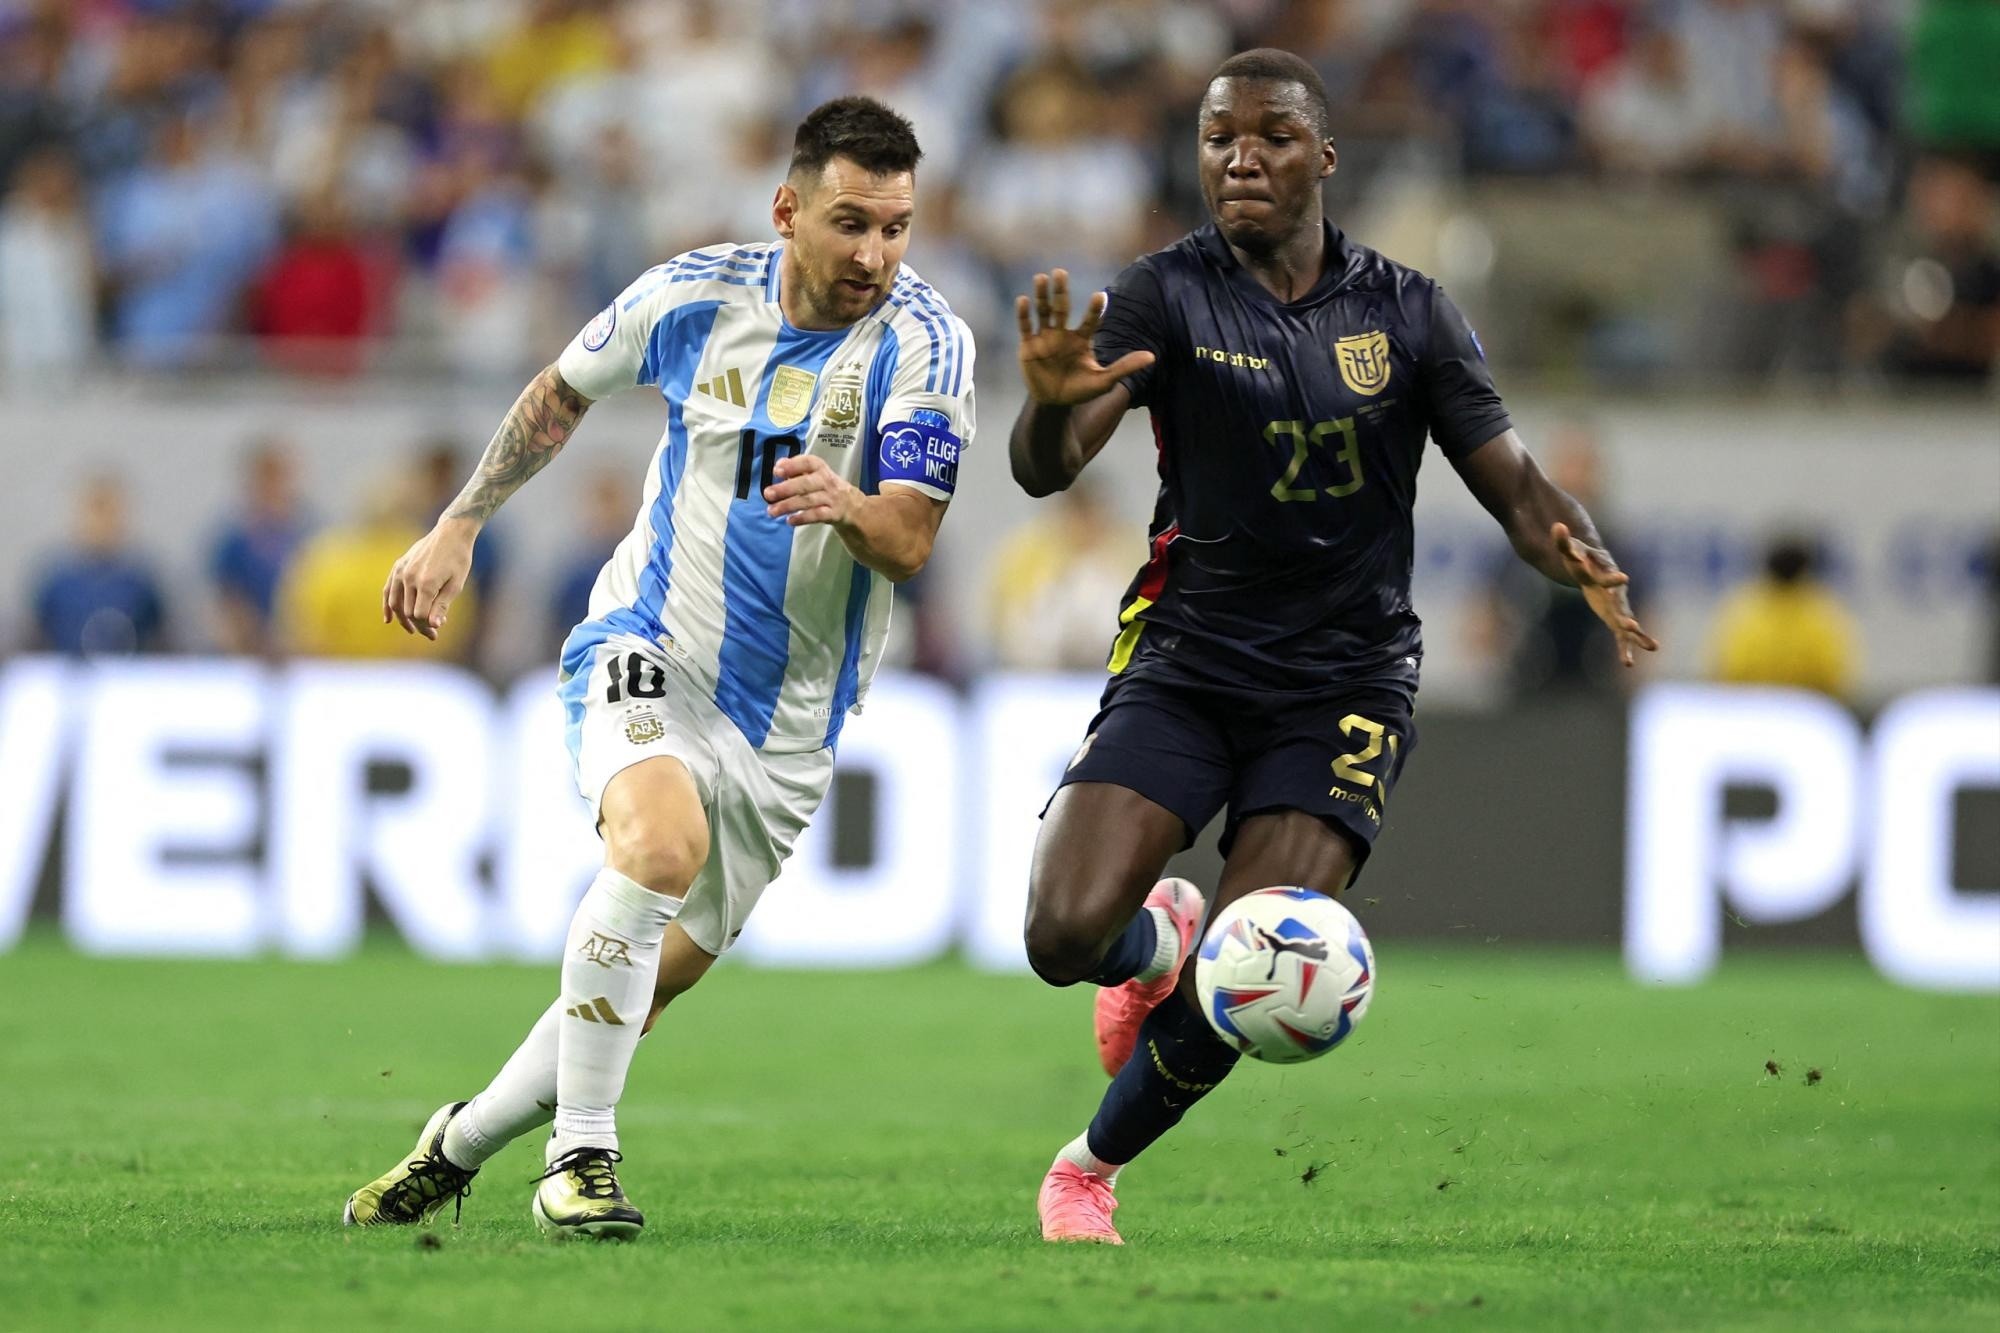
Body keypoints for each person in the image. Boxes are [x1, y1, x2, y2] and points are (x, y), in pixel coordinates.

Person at [1008, 49, 1655, 1246]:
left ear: (1324, 156)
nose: (1239, 156)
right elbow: (1047, 469)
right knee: (1060, 936)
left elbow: (1509, 482)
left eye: (1269, 136)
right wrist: (1051, 398)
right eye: (1216, 140)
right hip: (1189, 657)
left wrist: (1578, 556)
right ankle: (1154, 935)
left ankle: (1085, 1168)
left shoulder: (1408, 310)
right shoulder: (1162, 292)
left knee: (1256, 967)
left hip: (1344, 683)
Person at [343, 96, 971, 1240]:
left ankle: (458, 1142)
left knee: (639, 987)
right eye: (848, 224)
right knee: (657, 847)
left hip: (790, 722)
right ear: (787, 210)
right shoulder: (693, 295)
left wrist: (846, 506)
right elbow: (559, 394)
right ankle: (581, 1161)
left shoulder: (927, 346)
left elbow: (913, 540)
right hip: (652, 641)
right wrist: (457, 526)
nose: (874, 256)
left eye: (895, 228)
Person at [29, 474, 168, 657]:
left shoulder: (141, 584)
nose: (101, 523)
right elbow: (36, 639)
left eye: (110, 512)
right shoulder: (56, 583)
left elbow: (160, 640)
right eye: (94, 512)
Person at [1707, 533, 1858, 700]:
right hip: (1804, 712)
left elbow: (1728, 670)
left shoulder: (1746, 612)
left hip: (1756, 711)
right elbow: (1835, 676)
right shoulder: (1822, 614)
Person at [210, 436, 311, 657]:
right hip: (248, 651)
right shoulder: (233, 542)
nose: (273, 486)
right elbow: (226, 601)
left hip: (301, 652)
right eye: (266, 477)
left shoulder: (309, 537)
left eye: (279, 477)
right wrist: (252, 640)